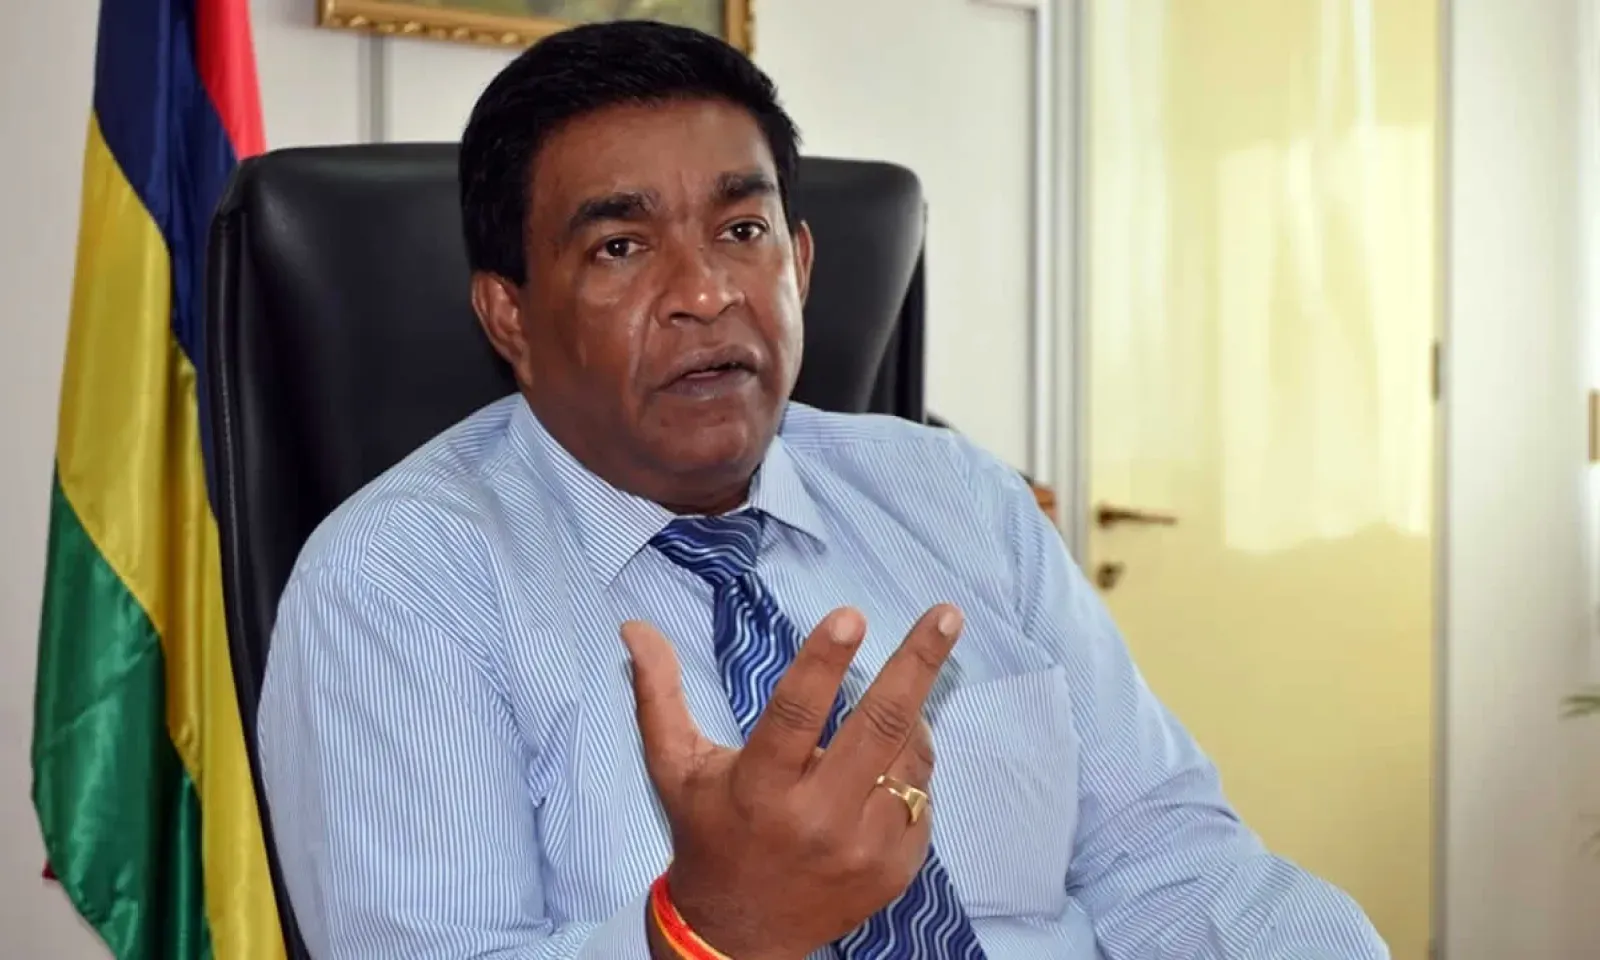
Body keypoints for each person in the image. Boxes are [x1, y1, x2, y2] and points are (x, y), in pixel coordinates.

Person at [256, 19, 1389, 960]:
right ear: (508, 314)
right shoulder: (395, 585)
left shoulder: (957, 498)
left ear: (799, 265)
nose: (706, 292)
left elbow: (1170, 858)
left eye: (741, 229)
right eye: (620, 248)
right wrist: (704, 931)